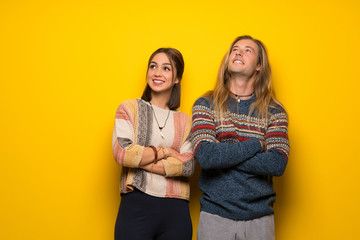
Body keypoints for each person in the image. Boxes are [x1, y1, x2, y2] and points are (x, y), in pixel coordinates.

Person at [191, 35, 290, 240]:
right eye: (235, 49)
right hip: (214, 217)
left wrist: (225, 151)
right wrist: (256, 144)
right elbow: (207, 157)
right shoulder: (205, 103)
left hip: (260, 219)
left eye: (247, 50)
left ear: (259, 66)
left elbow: (277, 163)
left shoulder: (274, 111)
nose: (238, 52)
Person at [112, 48, 195, 240]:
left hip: (176, 210)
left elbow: (188, 165)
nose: (157, 73)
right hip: (136, 204)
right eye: (153, 66)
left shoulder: (186, 121)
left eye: (166, 68)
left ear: (177, 78)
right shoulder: (129, 109)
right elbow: (123, 153)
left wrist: (141, 160)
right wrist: (164, 151)